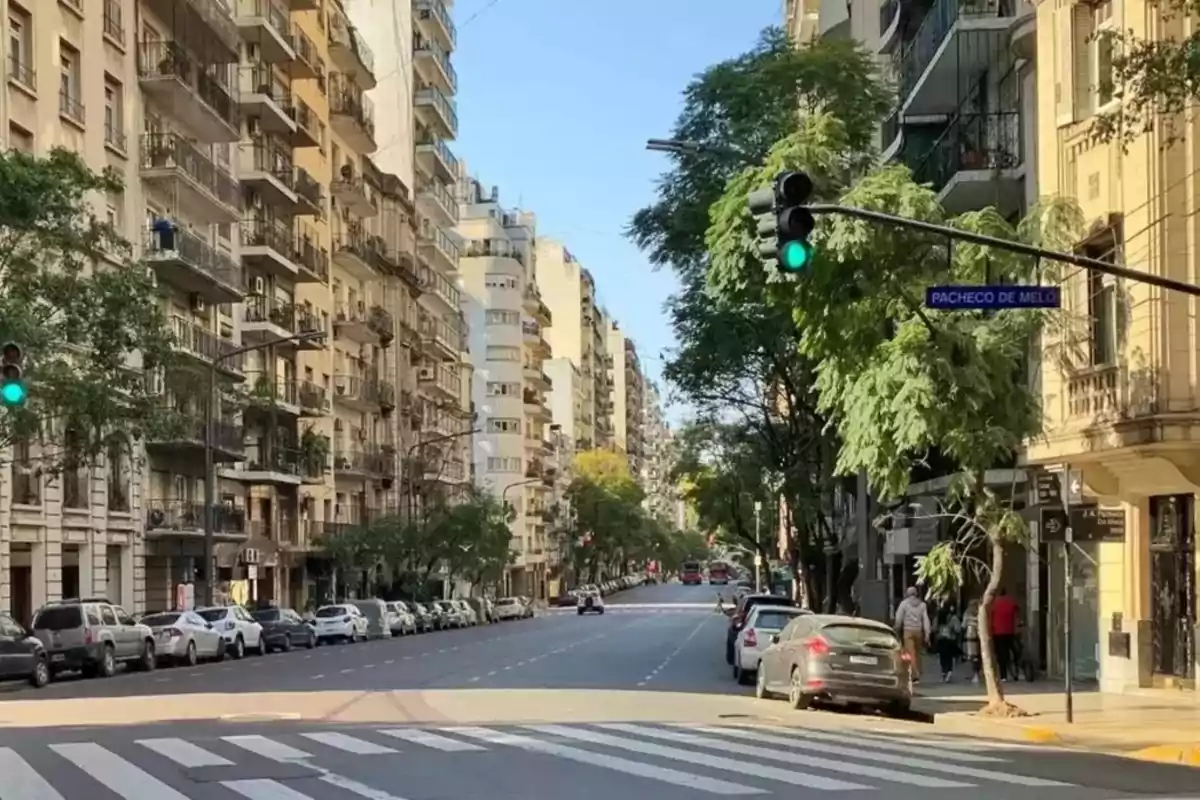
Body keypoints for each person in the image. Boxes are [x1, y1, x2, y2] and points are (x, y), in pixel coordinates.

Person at [893, 587, 931, 683]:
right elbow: (926, 620)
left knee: (910, 653)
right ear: (916, 594)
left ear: (907, 594)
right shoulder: (922, 605)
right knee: (918, 653)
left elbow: (899, 618)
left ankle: (914, 675)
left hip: (908, 631)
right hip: (918, 631)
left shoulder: (904, 604)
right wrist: (927, 633)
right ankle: (918, 671)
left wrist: (896, 629)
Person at [990, 587, 1020, 681]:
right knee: (1013, 650)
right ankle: (1016, 669)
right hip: (1009, 631)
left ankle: (1003, 675)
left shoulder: (994, 603)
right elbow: (1017, 610)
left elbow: (990, 615)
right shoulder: (1011, 601)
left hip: (997, 632)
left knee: (1000, 654)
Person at [934, 606, 961, 682]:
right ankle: (949, 671)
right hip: (950, 640)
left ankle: (943, 672)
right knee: (949, 657)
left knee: (942, 657)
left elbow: (934, 628)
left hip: (940, 639)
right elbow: (958, 629)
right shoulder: (953, 618)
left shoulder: (938, 618)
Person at [962, 598, 982, 684]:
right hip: (980, 636)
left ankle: (975, 674)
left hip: (970, 636)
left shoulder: (967, 613)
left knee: (973, 656)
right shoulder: (980, 613)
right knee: (979, 655)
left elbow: (963, 625)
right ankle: (979, 672)